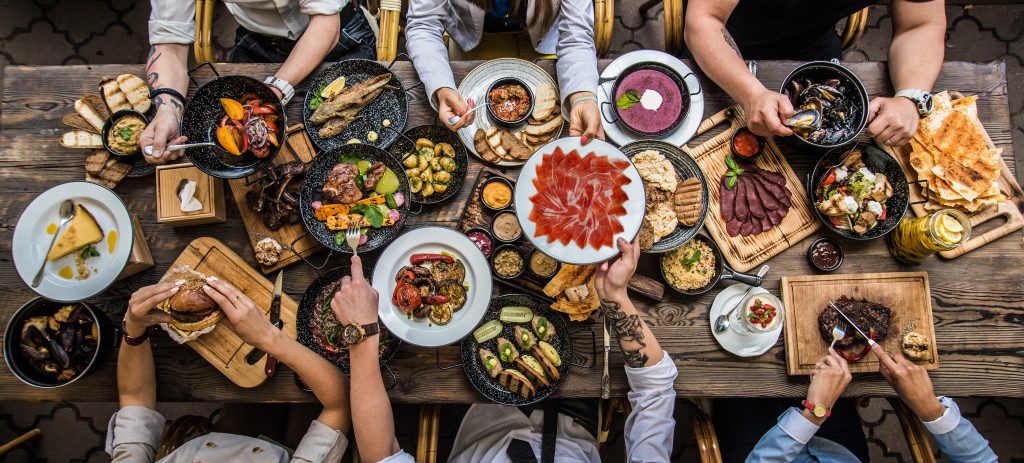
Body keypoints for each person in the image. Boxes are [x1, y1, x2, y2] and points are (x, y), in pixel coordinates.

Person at [330, 239, 677, 462]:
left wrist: (362, 334)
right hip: (575, 419)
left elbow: (381, 455)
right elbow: (656, 389)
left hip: (481, 417)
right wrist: (615, 296)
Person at [105, 278, 352, 462]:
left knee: (252, 399)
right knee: (304, 402)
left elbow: (134, 398)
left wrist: (134, 329)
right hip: (298, 450)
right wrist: (268, 338)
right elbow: (339, 404)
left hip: (221, 440)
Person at [684, 0, 946, 147]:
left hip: (813, 43)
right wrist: (750, 93)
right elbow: (704, 21)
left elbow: (920, 24)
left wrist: (911, 96)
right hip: (724, 41)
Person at [142, 0, 377, 162]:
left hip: (337, 35)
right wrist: (167, 111)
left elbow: (326, 24)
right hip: (258, 43)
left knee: (355, 142)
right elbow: (169, 45)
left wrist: (275, 90)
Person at [715, 345, 997, 462]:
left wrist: (813, 414)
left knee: (734, 373)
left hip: (758, 452)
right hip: (838, 452)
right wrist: (930, 410)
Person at [406, 0, 605, 143]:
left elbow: (576, 36)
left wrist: (582, 97)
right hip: (472, 41)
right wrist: (442, 87)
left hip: (542, 41)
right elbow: (423, 25)